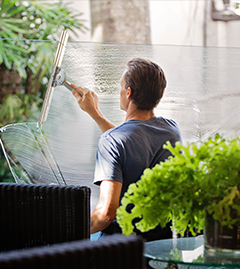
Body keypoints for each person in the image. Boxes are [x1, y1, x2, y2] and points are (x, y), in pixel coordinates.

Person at [71, 58, 182, 241]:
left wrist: (66, 229)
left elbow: (105, 214)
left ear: (128, 93)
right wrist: (95, 114)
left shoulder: (113, 141)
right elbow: (133, 141)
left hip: (122, 250)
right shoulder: (171, 130)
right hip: (160, 245)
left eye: (121, 87)